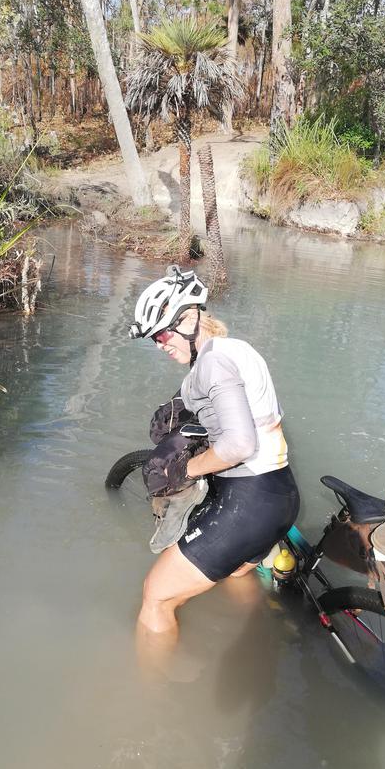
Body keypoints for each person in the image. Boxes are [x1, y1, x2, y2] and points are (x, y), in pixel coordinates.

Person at [129, 266, 300, 638]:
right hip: (281, 495)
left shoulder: (212, 361)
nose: (160, 345)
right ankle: (263, 638)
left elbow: (239, 444)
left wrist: (189, 468)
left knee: (156, 597)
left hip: (247, 503)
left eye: (161, 334)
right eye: (153, 340)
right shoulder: (237, 350)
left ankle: (153, 694)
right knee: (238, 567)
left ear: (189, 318)